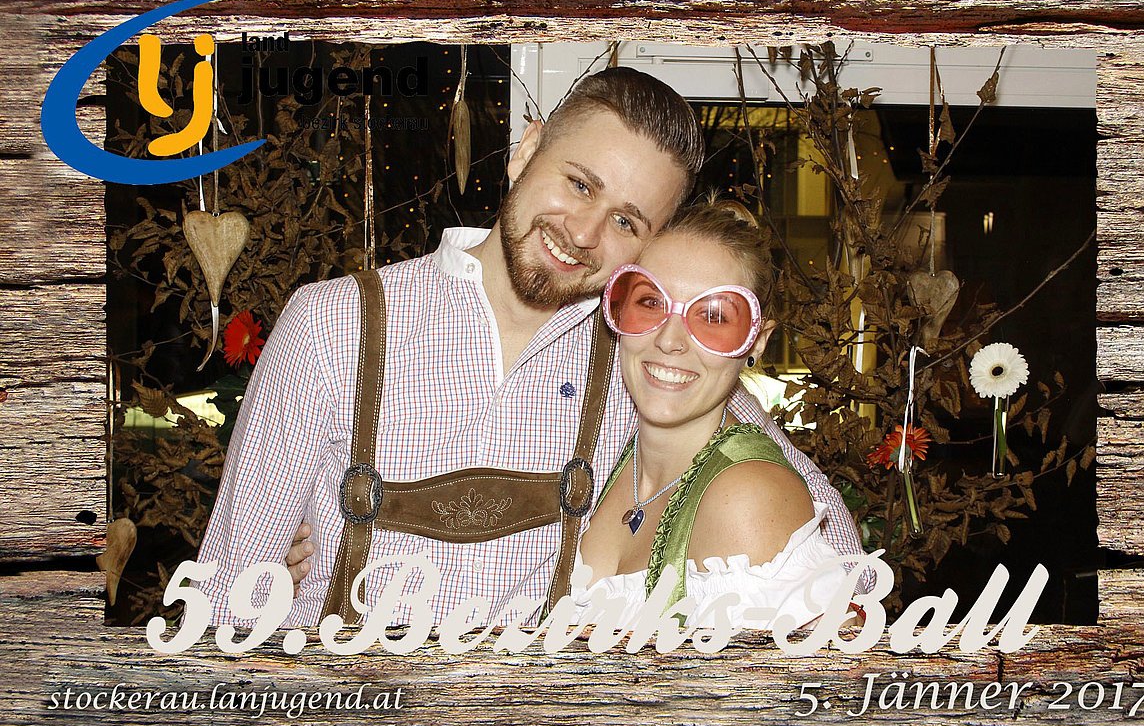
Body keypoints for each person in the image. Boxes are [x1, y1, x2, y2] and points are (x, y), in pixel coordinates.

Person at [197, 67, 869, 629]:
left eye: (626, 220)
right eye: (579, 183)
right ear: (526, 149)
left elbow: (837, 559)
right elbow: (228, 601)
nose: (583, 233)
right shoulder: (332, 325)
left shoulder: (643, 357)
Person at [570, 201, 850, 631]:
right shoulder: (607, 448)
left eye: (714, 316)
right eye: (650, 301)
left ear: (757, 341)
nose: (670, 340)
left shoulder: (748, 499)